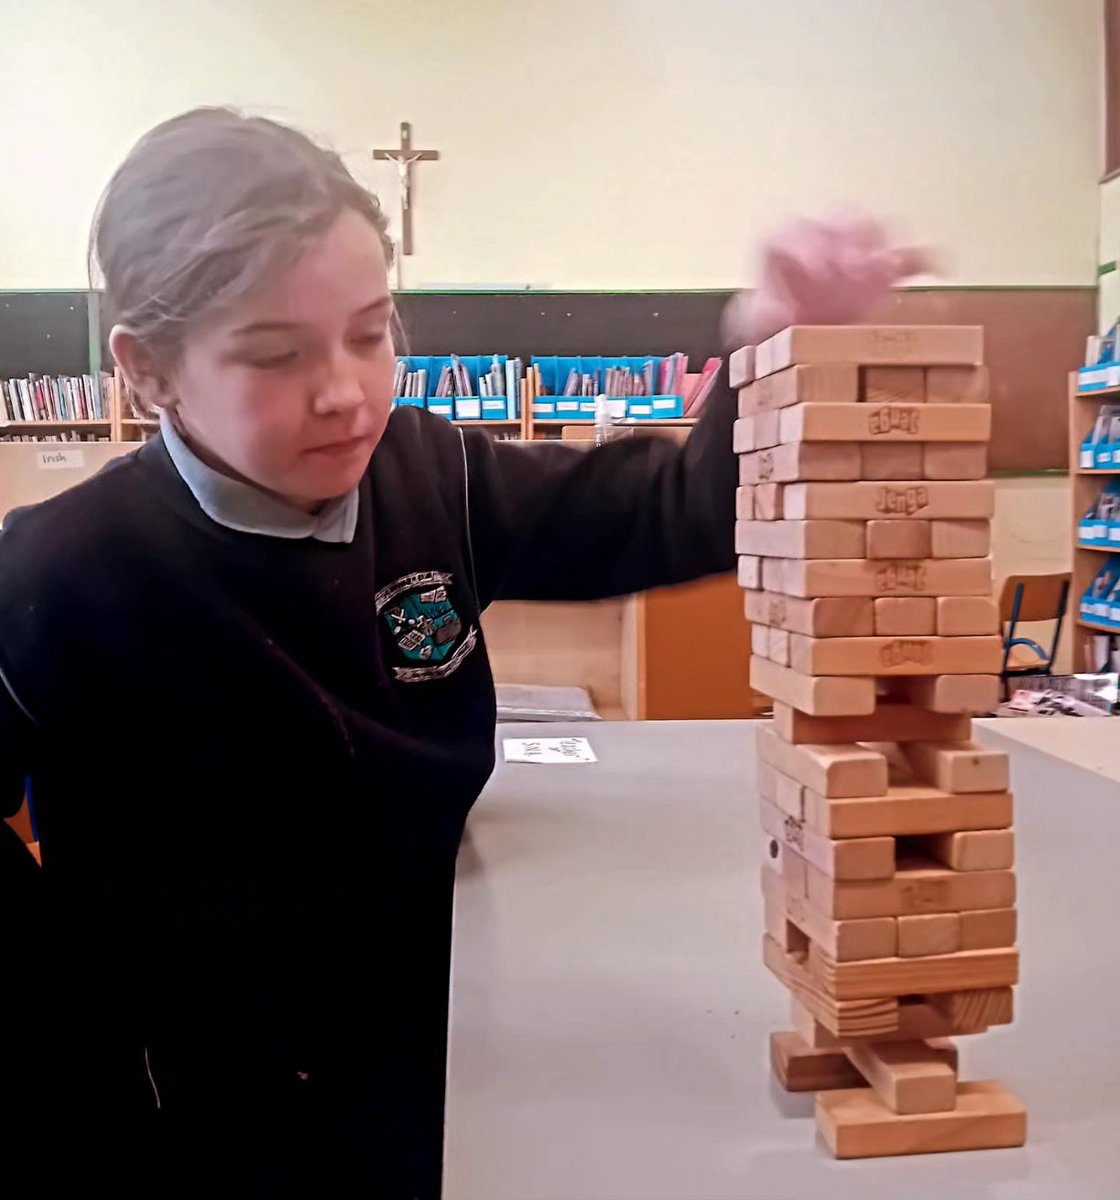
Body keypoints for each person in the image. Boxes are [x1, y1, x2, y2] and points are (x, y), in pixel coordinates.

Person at [0, 108, 925, 1196]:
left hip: (451, 1010)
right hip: (212, 1094)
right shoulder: (53, 576)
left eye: (371, 330)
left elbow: (673, 509)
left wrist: (776, 345)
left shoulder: (430, 471)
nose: (345, 389)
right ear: (149, 370)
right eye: (274, 354)